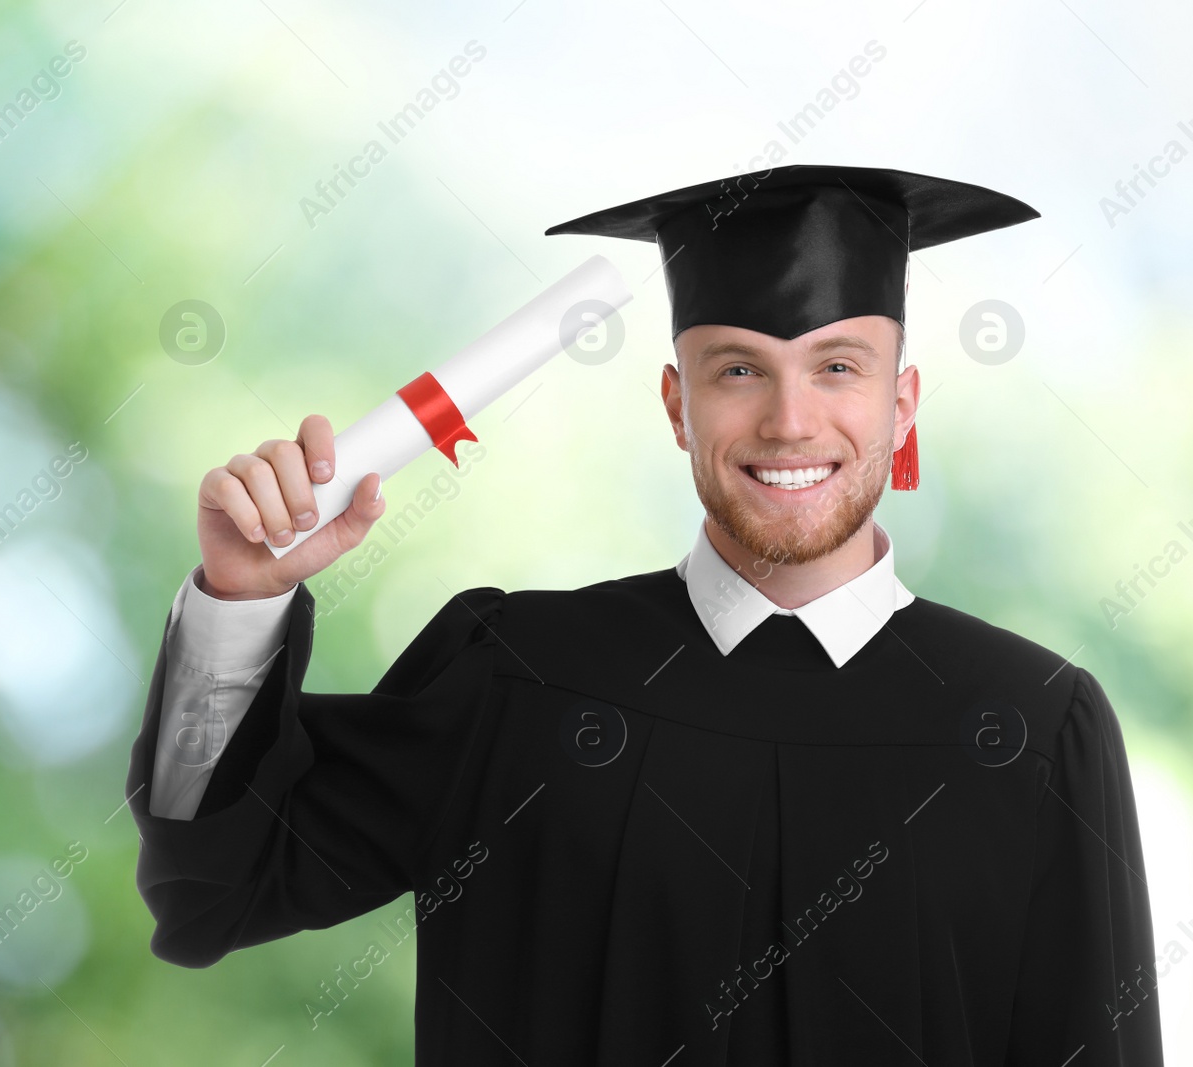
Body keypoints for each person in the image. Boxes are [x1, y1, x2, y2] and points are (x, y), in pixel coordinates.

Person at [126, 165, 1165, 1064]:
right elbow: (213, 889)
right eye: (737, 369)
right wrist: (240, 601)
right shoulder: (515, 676)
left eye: (838, 367)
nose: (789, 419)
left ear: (901, 406)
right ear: (676, 404)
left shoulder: (1028, 727)